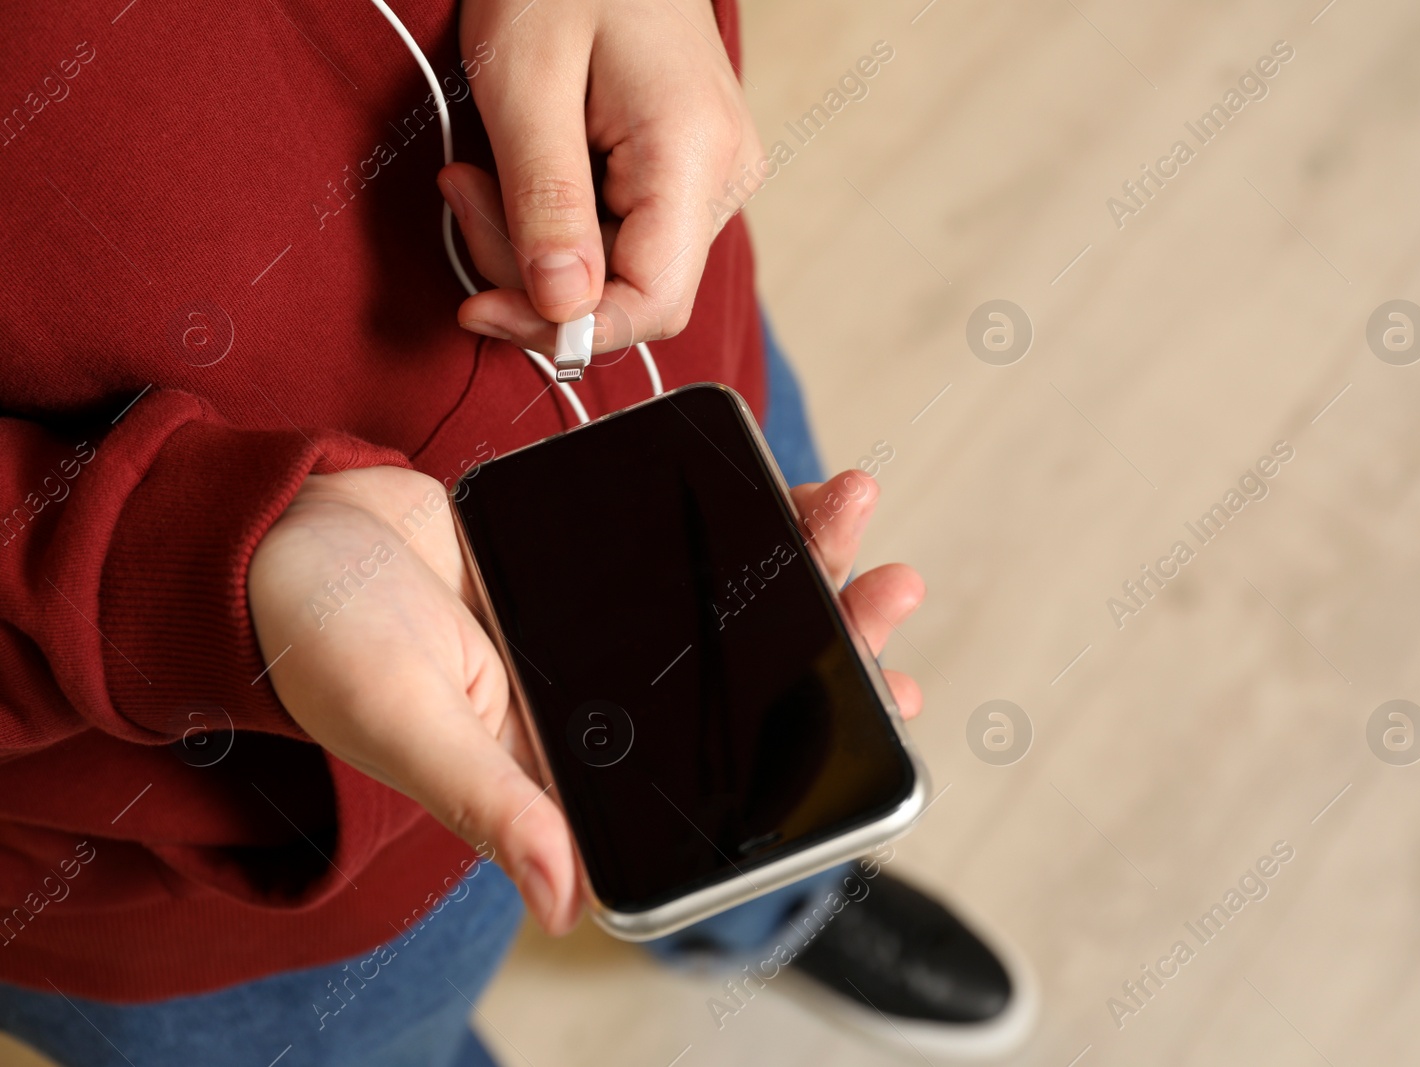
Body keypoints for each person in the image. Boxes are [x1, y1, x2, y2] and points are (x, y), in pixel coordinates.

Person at [0, 0, 1033, 1063]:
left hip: (679, 416)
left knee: (789, 767)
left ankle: (779, 910)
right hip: (212, 821)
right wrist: (188, 561)